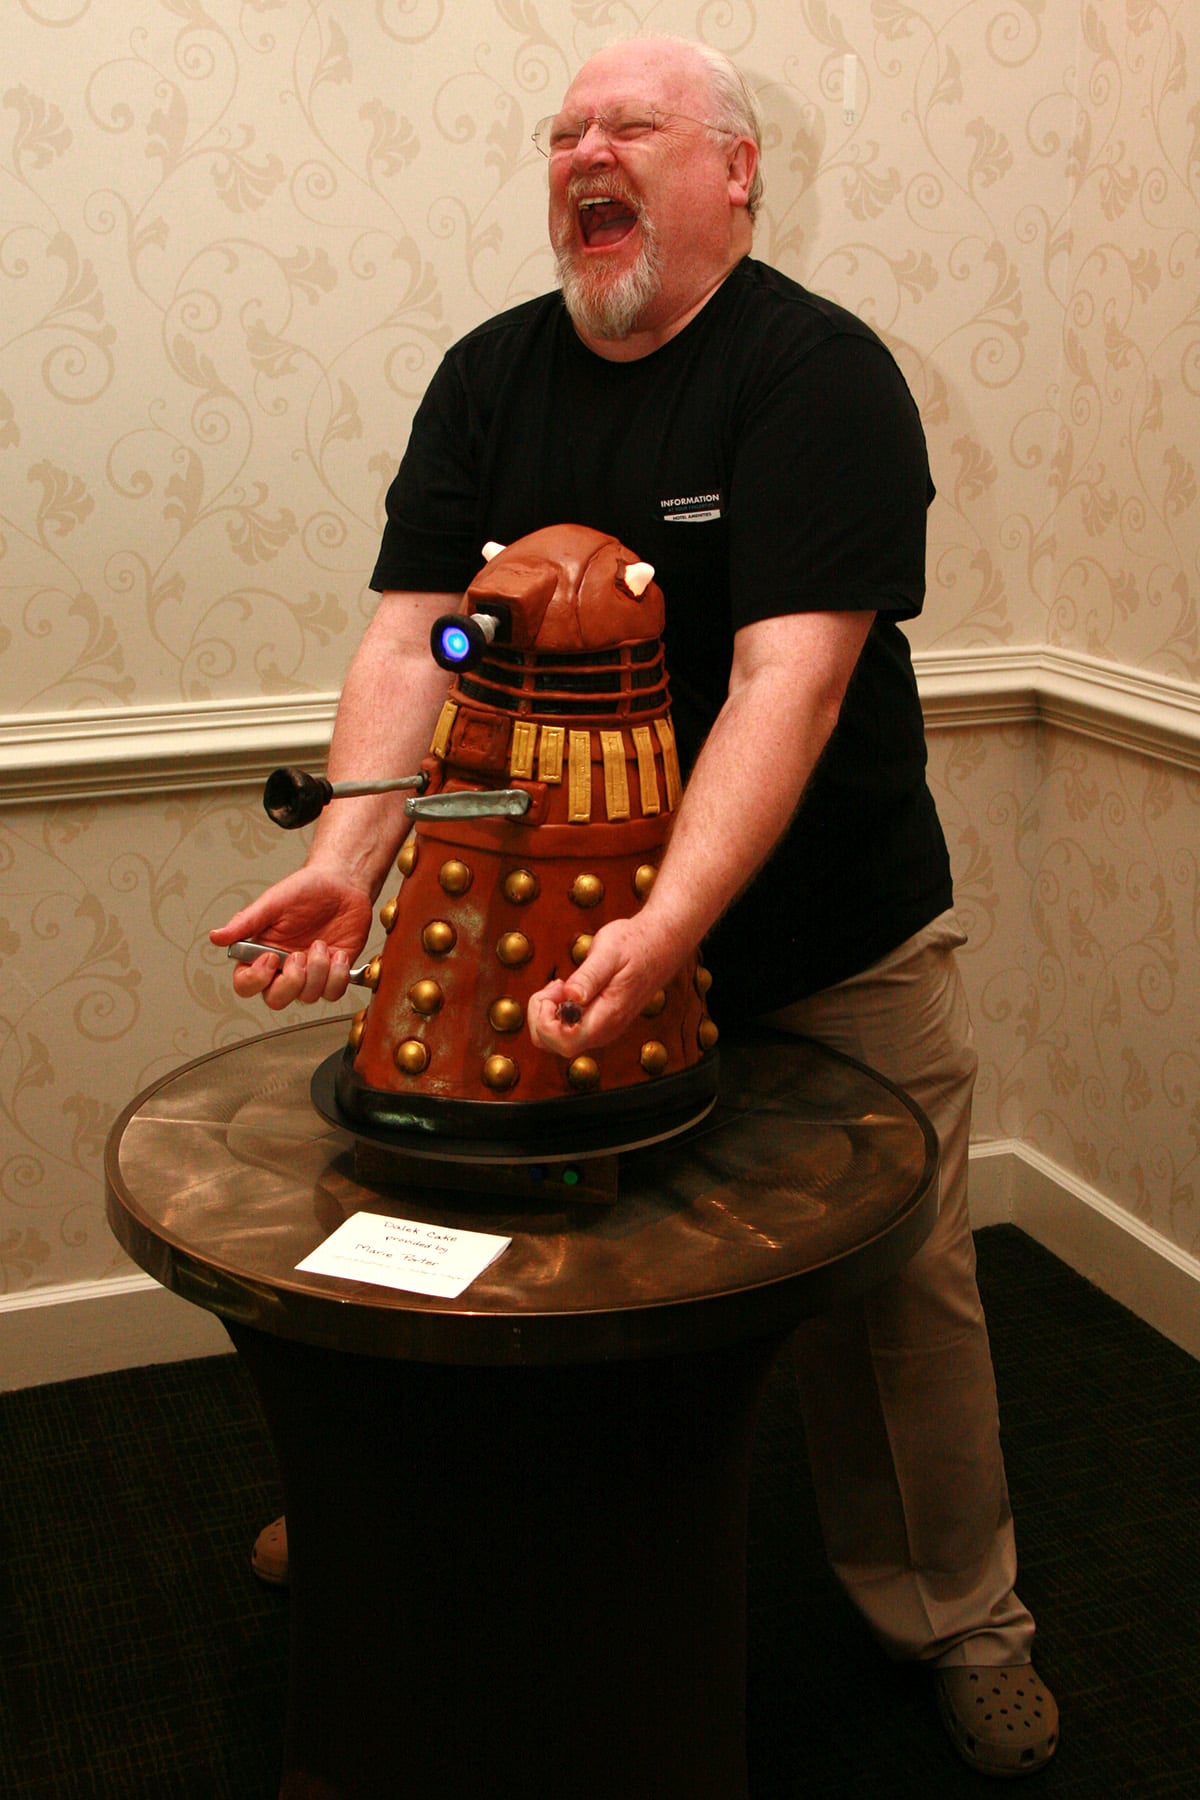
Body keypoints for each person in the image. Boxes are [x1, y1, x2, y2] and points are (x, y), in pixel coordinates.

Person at [212, 35, 1059, 1778]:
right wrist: (350, 859)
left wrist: (674, 926)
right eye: (564, 132)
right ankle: (407, 1532)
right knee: (497, 1265)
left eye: (632, 126)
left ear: (733, 172)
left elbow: (787, 685)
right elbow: (411, 634)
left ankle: (959, 1613)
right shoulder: (487, 377)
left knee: (899, 1302)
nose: (585, 152)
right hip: (538, 938)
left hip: (825, 946)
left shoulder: (816, 378)